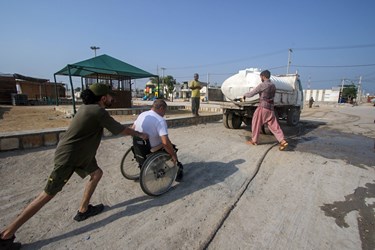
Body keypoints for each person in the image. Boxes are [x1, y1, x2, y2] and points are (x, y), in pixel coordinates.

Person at [0, 83, 148, 249]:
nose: (113, 98)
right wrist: (139, 133)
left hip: (81, 155)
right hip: (69, 158)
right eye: (111, 96)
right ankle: (6, 235)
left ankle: (83, 210)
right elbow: (120, 130)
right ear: (103, 97)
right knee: (47, 194)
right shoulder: (97, 111)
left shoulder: (87, 108)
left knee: (97, 173)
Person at [132, 99, 183, 181]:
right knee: (171, 147)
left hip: (139, 145)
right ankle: (177, 168)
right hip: (151, 149)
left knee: (166, 142)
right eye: (165, 111)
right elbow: (165, 142)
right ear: (161, 108)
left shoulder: (143, 114)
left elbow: (133, 129)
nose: (164, 114)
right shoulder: (160, 120)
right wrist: (173, 154)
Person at [243, 70, 288, 151]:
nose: (260, 78)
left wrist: (244, 95)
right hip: (271, 109)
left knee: (256, 123)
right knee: (275, 126)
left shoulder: (262, 85)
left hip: (262, 107)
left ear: (263, 76)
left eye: (261, 77)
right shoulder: (273, 85)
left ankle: (254, 140)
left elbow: (251, 94)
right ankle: (282, 141)